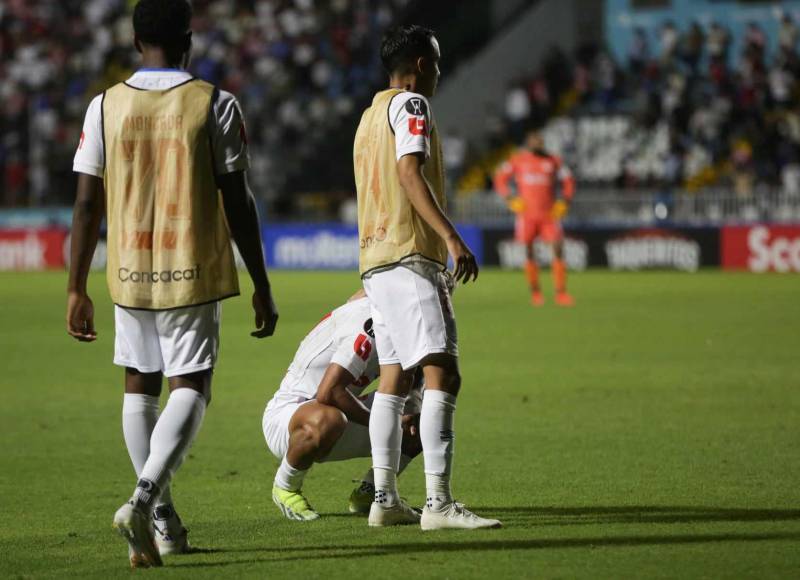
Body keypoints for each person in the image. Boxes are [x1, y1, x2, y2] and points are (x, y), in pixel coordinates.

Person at [66, 0, 278, 568]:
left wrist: (75, 287)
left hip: (129, 270)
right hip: (192, 269)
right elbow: (239, 200)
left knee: (139, 387)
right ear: (188, 40)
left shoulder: (104, 106)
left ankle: (162, 523)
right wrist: (260, 280)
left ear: (136, 42)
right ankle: (144, 499)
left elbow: (87, 203)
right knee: (192, 386)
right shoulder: (215, 104)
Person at [352, 24, 500, 530]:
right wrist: (452, 237)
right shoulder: (411, 106)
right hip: (411, 254)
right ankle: (438, 503)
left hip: (375, 258)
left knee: (393, 380)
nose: (438, 71)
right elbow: (409, 172)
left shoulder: (368, 117)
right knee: (443, 372)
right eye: (435, 62)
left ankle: (386, 498)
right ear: (419, 65)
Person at [262, 291, 422, 521]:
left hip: (342, 414)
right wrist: (383, 422)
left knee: (425, 418)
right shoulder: (370, 325)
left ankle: (373, 491)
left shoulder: (393, 310)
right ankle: (285, 486)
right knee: (329, 418)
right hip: (291, 419)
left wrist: (412, 404)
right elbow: (328, 392)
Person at [494, 130, 576, 307]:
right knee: (529, 252)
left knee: (558, 248)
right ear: (529, 143)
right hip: (527, 215)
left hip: (549, 215)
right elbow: (500, 178)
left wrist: (565, 200)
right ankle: (536, 293)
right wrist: (510, 198)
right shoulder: (518, 160)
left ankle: (561, 293)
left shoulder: (553, 161)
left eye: (541, 141)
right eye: (536, 142)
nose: (539, 144)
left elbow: (569, 180)